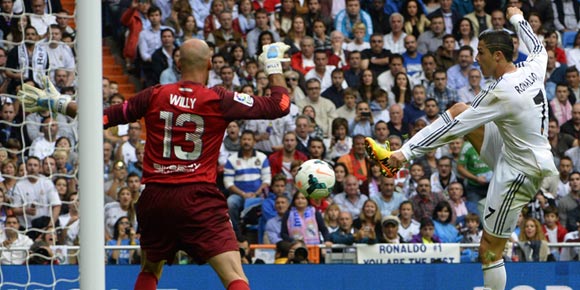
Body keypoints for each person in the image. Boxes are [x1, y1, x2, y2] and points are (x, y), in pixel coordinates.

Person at [17, 40, 291, 289]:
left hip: (155, 197)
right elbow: (280, 105)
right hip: (198, 196)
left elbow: (101, 118)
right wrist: (272, 63)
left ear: (178, 63)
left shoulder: (154, 95)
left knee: (150, 269)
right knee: (234, 276)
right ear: (209, 64)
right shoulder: (219, 99)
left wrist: (61, 103)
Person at [369, 8, 558, 290]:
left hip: (521, 173)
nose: (475, 57)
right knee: (459, 108)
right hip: (517, 150)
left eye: (480, 52)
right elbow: (537, 45)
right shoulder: (534, 66)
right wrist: (517, 17)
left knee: (489, 249)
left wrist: (404, 153)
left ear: (497, 56)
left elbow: (452, 128)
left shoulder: (499, 92)